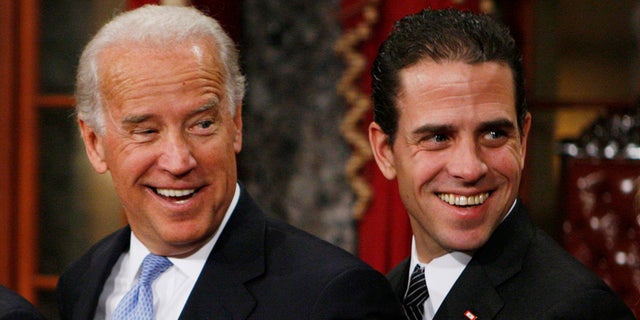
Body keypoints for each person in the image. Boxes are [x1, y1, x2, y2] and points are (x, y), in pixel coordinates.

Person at [56, 5, 402, 320]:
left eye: (202, 124)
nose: (178, 161)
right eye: (146, 131)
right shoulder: (82, 282)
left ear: (236, 124)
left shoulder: (331, 297)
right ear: (94, 143)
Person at [368, 8, 635, 320]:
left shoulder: (578, 310)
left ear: (522, 141)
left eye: (494, 134)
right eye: (438, 137)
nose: (469, 168)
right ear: (385, 151)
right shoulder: (379, 297)